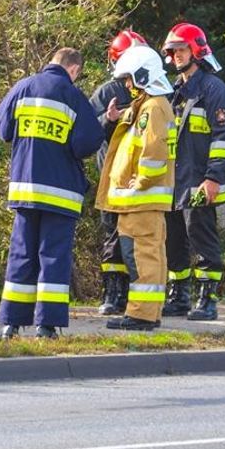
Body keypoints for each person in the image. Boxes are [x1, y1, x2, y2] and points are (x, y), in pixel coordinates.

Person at [0, 48, 104, 339]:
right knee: (53, 257)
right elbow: (88, 141)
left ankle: (11, 324)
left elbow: (3, 128)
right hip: (60, 193)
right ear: (74, 70)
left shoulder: (23, 87)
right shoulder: (73, 96)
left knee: (21, 254)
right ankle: (46, 326)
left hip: (25, 189)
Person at [160, 23, 225, 321]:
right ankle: (178, 296)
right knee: (174, 241)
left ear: (196, 49)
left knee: (202, 238)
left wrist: (213, 177)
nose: (176, 56)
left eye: (181, 49)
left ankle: (207, 300)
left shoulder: (213, 90)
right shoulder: (174, 92)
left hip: (200, 181)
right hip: (174, 183)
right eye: (173, 51)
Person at [95, 46, 176, 330]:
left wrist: (140, 182)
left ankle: (141, 315)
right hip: (135, 202)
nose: (127, 85)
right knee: (142, 255)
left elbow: (154, 152)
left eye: (130, 79)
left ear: (144, 75)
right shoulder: (147, 106)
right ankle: (144, 313)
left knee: (142, 257)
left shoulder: (153, 108)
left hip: (141, 199)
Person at [90, 29, 149, 315]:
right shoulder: (107, 92)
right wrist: (107, 118)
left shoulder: (153, 89)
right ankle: (113, 293)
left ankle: (139, 294)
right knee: (112, 235)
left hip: (142, 178)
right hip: (112, 177)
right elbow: (87, 132)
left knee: (140, 237)